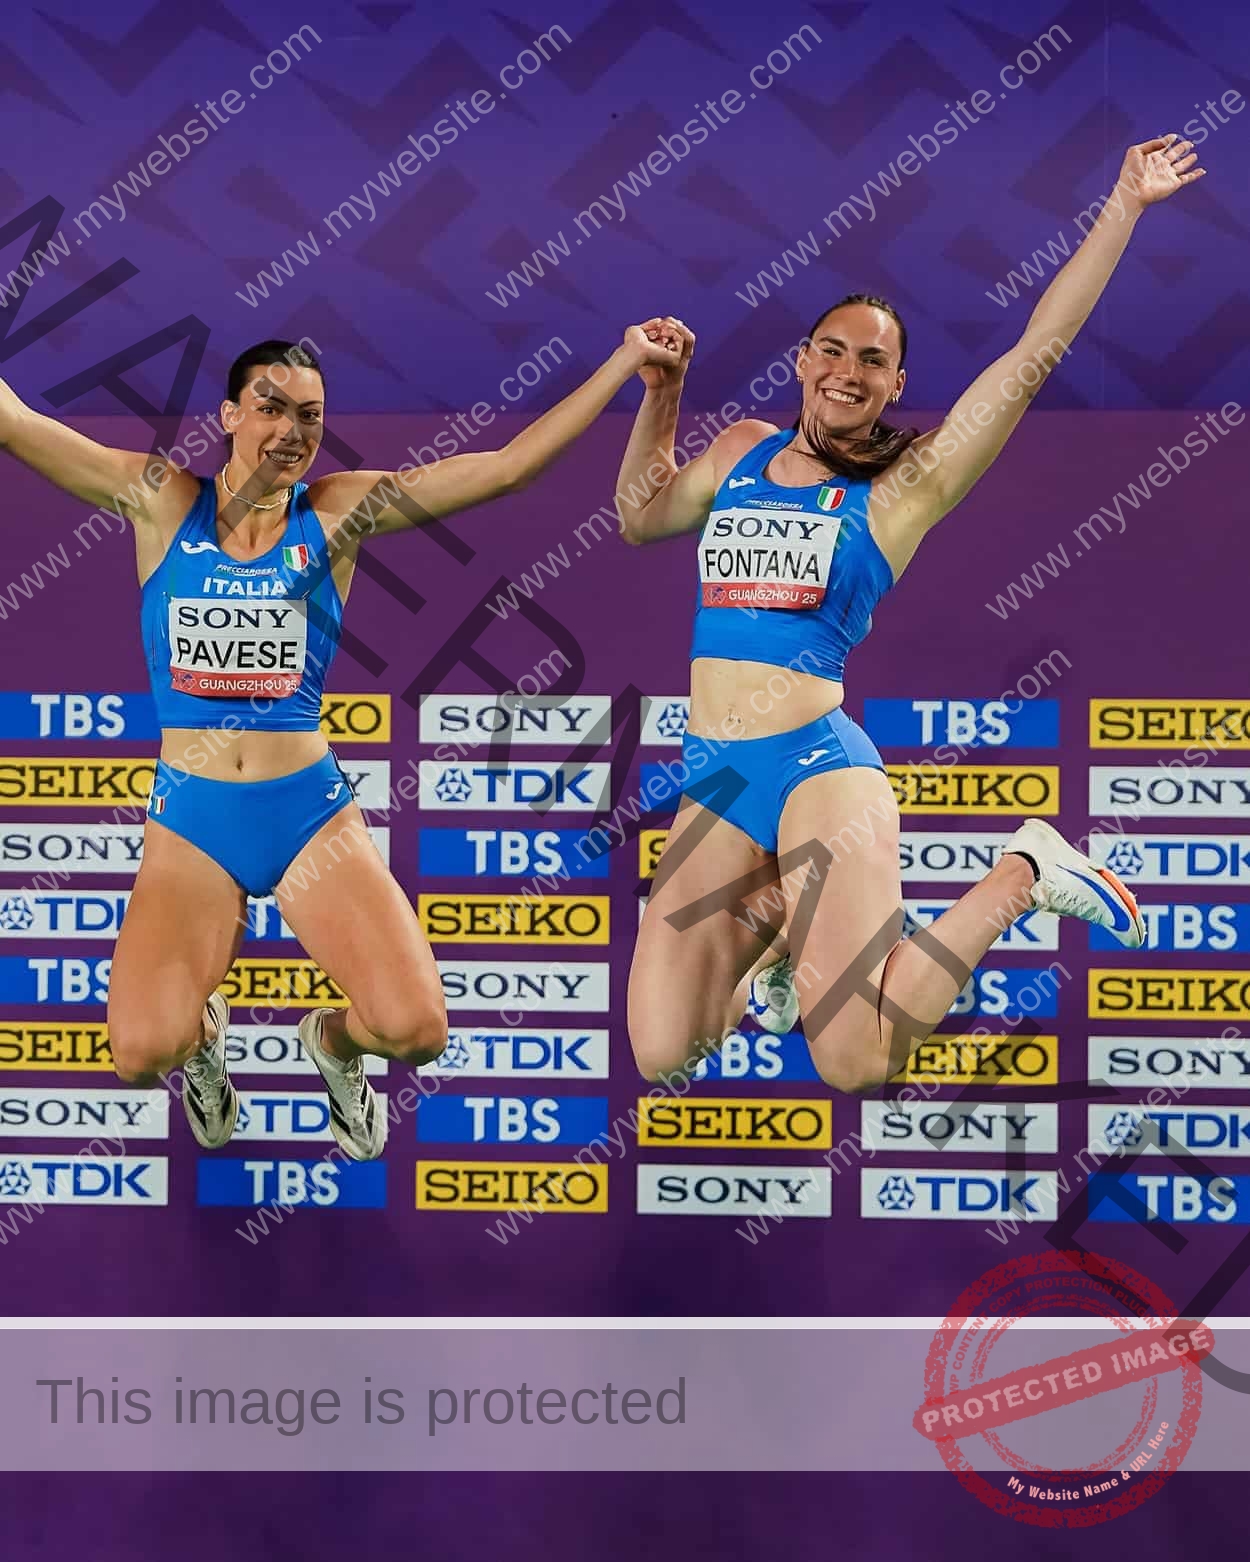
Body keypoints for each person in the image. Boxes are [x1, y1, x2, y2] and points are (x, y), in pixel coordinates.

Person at [0, 322, 685, 1157]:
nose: (291, 431)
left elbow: (508, 467)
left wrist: (623, 361)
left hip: (305, 815)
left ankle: (331, 1041)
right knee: (143, 1054)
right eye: (271, 408)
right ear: (229, 415)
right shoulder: (161, 500)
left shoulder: (336, 512)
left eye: (310, 416)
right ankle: (204, 1039)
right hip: (192, 824)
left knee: (415, 1029)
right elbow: (16, 423)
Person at [617, 136, 1203, 1094]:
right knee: (665, 1052)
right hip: (715, 774)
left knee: (855, 1061)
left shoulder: (904, 487)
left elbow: (1034, 354)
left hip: (816, 768)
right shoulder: (739, 452)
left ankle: (1022, 872)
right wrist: (664, 393)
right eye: (833, 350)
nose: (848, 371)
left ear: (895, 385)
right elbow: (641, 515)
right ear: (802, 361)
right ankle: (781, 931)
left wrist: (1124, 207)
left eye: (874, 361)